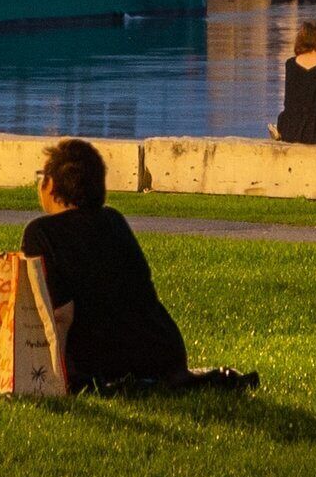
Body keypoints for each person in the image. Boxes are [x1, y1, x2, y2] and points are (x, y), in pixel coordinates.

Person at [20, 138, 190, 392]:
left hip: (105, 362)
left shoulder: (41, 233)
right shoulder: (114, 220)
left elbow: (59, 315)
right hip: (162, 352)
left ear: (51, 183)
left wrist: (56, 378)